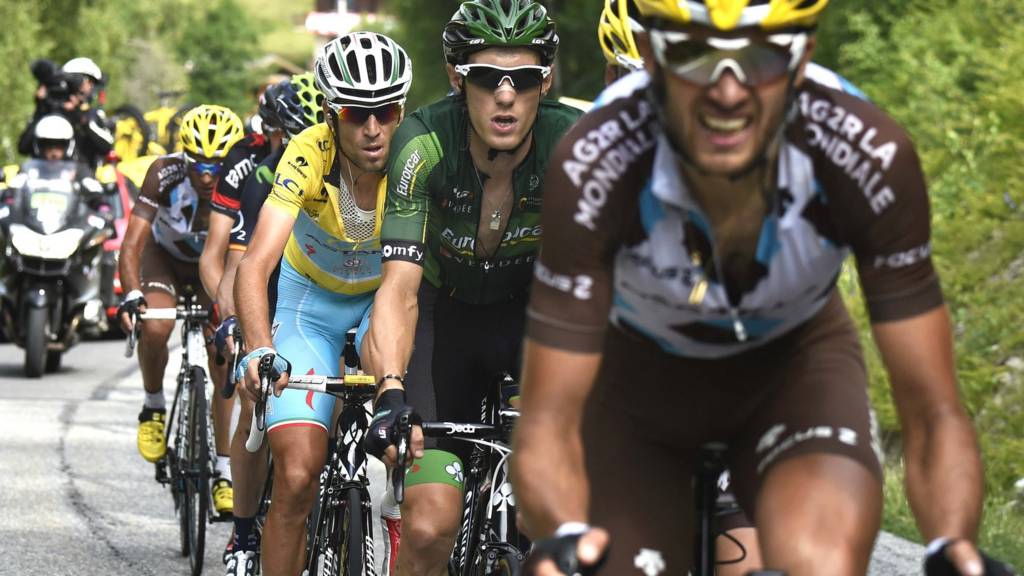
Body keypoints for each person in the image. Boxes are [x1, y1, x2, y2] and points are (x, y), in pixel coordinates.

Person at [511, 0, 1010, 575]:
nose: (729, 92)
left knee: (815, 563)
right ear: (649, 58)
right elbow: (548, 417)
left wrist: (951, 546)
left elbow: (933, 411)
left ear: (803, 61)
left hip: (793, 369)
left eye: (762, 56)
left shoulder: (868, 156)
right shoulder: (592, 164)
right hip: (639, 383)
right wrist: (564, 535)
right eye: (696, 55)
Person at [358, 1, 581, 573]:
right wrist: (389, 390)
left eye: (524, 79)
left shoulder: (573, 143)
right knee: (430, 525)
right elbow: (400, 288)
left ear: (545, 81)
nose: (505, 96)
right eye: (486, 78)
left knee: (548, 514)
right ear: (458, 78)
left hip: (530, 319)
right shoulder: (424, 142)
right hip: (442, 320)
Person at [234, 32, 411, 576]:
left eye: (387, 111)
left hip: (381, 303)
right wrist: (261, 350)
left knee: (409, 453)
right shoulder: (309, 150)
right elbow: (255, 263)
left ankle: (397, 517)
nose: (375, 128)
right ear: (334, 115)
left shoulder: (417, 152)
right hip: (310, 307)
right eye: (359, 113)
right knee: (295, 475)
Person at [207, 73, 325, 576]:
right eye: (288, 134)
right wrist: (235, 323)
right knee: (253, 396)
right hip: (268, 289)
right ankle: (244, 528)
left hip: (318, 292)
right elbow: (236, 261)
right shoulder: (256, 173)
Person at [117, 104, 244, 519]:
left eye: (217, 163)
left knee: (223, 357)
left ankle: (224, 471)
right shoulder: (163, 173)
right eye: (198, 163)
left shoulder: (243, 176)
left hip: (215, 265)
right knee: (157, 326)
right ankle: (153, 405)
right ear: (184, 156)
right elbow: (133, 243)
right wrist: (132, 294)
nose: (207, 174)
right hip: (165, 260)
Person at [18, 57, 114, 169]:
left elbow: (107, 146)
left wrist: (79, 117)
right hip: (43, 179)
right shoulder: (48, 111)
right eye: (88, 81)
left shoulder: (90, 115)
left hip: (79, 180)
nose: (90, 87)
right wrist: (40, 109)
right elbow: (23, 147)